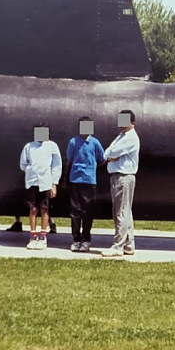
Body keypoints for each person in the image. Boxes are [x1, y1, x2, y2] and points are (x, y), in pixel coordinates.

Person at [102, 109, 140, 257]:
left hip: (123, 177)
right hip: (120, 177)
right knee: (126, 211)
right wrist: (111, 156)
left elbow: (110, 153)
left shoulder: (130, 138)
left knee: (120, 212)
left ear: (133, 123)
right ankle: (129, 244)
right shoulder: (121, 136)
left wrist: (111, 156)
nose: (122, 126)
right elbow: (107, 153)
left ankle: (118, 246)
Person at [65, 116, 106, 252]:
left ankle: (86, 239)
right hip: (75, 180)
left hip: (89, 181)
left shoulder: (95, 143)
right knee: (75, 211)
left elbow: (102, 159)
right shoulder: (73, 142)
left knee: (87, 211)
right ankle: (76, 239)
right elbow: (69, 161)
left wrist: (91, 169)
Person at [19, 124, 62, 250]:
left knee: (44, 208)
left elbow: (56, 165)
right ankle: (33, 236)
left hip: (46, 182)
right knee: (33, 209)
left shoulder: (52, 146)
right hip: (32, 182)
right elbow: (23, 164)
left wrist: (54, 184)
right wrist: (31, 170)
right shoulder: (28, 146)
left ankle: (43, 237)